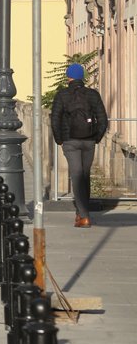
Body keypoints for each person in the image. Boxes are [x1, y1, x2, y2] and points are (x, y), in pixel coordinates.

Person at [50, 63, 108, 228]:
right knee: (84, 175)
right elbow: (103, 119)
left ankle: (84, 216)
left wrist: (59, 139)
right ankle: (80, 213)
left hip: (70, 141)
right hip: (89, 140)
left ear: (68, 77)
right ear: (82, 77)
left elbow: (55, 119)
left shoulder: (62, 95)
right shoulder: (92, 95)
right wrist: (96, 137)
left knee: (76, 175)